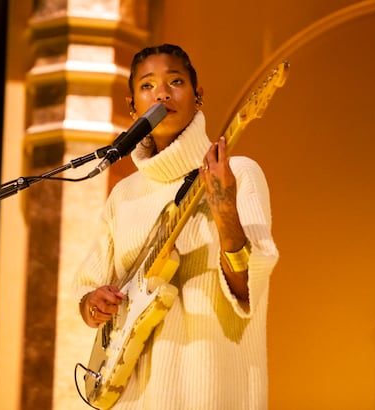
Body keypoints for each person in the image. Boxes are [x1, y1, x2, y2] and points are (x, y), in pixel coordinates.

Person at [72, 43, 279, 409]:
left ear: (198, 96)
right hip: (133, 398)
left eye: (176, 81)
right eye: (148, 85)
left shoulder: (238, 173)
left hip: (211, 389)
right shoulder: (124, 195)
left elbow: (249, 285)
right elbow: (88, 291)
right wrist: (94, 304)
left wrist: (224, 208)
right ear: (132, 105)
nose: (162, 93)